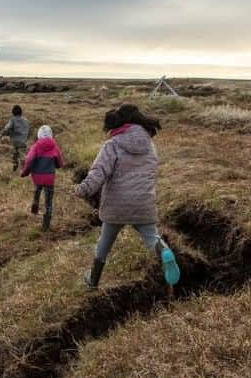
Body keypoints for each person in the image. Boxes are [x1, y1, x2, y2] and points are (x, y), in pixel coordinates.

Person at [74, 104, 180, 288]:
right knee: (151, 237)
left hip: (117, 205)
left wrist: (83, 190)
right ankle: (163, 251)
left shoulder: (112, 145)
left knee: (104, 245)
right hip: (143, 203)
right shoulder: (150, 146)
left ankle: (93, 280)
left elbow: (98, 172)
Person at [20, 124, 63, 231]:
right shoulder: (55, 147)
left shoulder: (35, 147)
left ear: (39, 135)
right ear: (51, 135)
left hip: (37, 177)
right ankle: (46, 224)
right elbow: (60, 163)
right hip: (49, 179)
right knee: (48, 202)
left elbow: (29, 160)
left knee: (37, 189)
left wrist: (25, 172)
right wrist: (56, 165)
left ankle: (35, 203)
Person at [0, 105, 31, 172]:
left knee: (14, 156)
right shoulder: (26, 121)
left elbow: (7, 128)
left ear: (13, 113)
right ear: (21, 112)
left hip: (14, 142)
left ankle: (14, 168)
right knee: (22, 156)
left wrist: (2, 134)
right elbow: (29, 130)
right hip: (23, 141)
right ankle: (24, 169)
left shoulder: (13, 120)